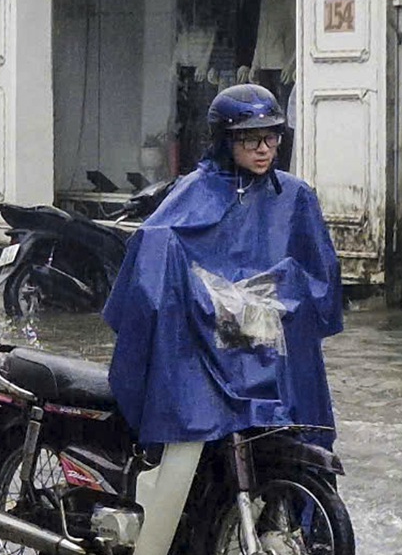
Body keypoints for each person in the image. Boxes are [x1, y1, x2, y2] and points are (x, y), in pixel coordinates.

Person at [104, 84, 343, 450]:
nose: (263, 149)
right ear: (225, 141)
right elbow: (152, 261)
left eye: (271, 137)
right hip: (208, 347)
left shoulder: (295, 197)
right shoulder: (194, 191)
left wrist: (274, 292)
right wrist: (206, 297)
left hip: (272, 344)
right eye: (250, 140)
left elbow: (321, 280)